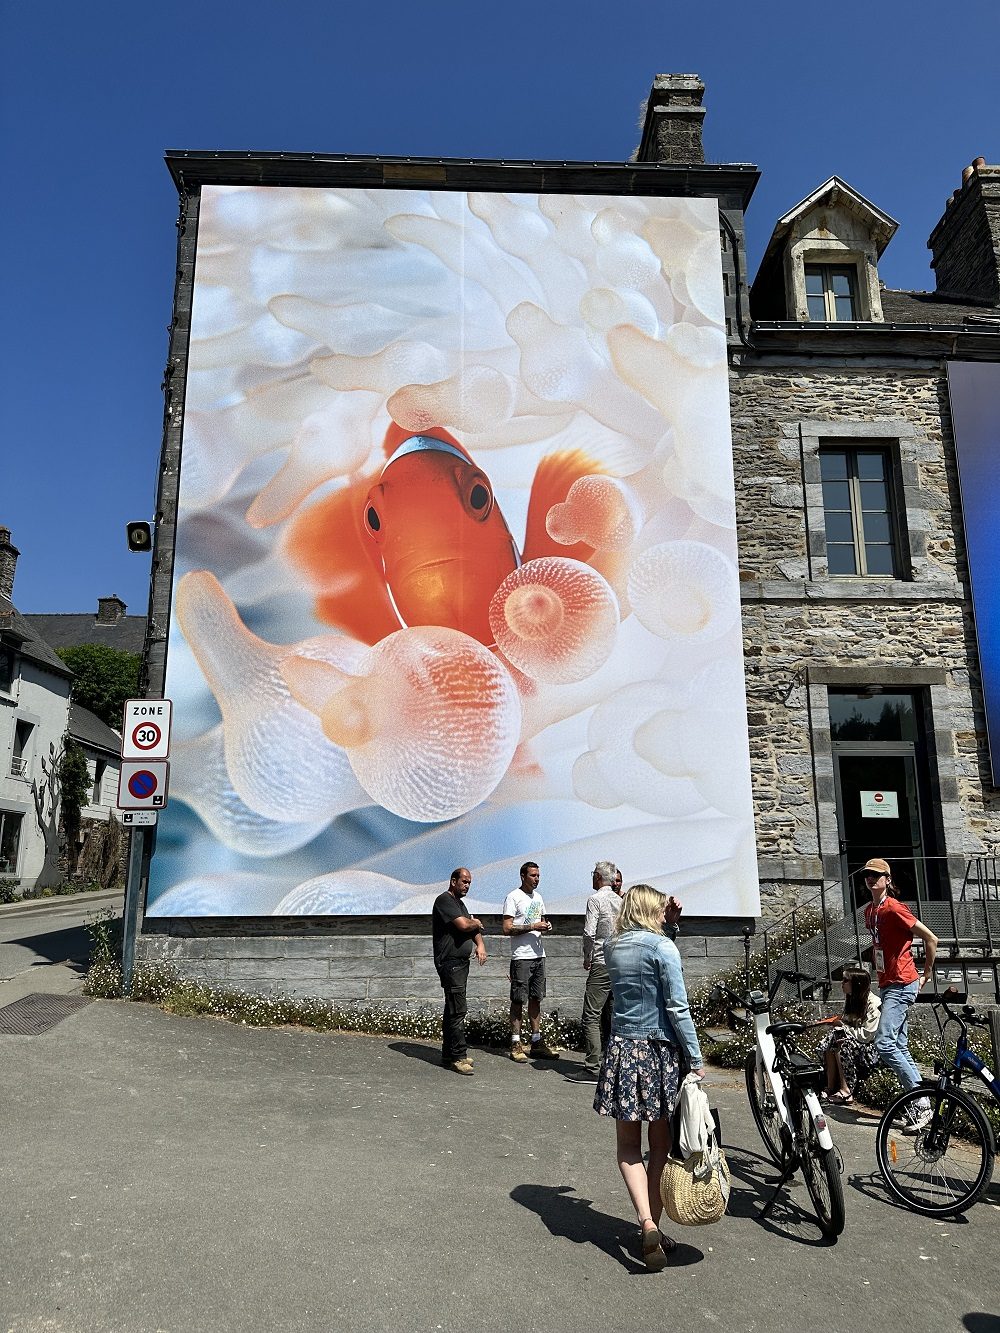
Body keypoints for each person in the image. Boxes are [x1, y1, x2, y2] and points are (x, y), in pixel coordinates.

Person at [595, 883, 704, 1271]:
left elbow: (642, 959)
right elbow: (676, 1007)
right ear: (649, 911)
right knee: (659, 1144)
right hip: (658, 1053)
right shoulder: (663, 947)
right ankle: (653, 1226)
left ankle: (644, 1222)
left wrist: (668, 927)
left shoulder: (612, 947)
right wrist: (695, 1057)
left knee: (627, 1146)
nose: (664, 915)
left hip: (623, 1051)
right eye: (660, 911)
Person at [863, 856, 938, 1132]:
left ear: (888, 880)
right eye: (868, 875)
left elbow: (932, 938)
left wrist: (926, 973)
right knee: (900, 1046)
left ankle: (922, 1105)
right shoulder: (870, 911)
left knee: (884, 1044)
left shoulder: (894, 908)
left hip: (903, 983)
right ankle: (916, 1105)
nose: (871, 878)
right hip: (887, 984)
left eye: (877, 875)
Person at [432, 867, 487, 1075]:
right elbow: (465, 925)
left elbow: (473, 928)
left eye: (469, 882)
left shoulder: (460, 904)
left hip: (461, 963)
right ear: (453, 881)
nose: (467, 885)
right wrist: (476, 922)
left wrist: (480, 944)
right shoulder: (444, 900)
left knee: (452, 1008)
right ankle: (458, 1056)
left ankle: (448, 1053)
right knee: (458, 1009)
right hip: (450, 962)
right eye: (464, 881)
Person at [503, 861, 559, 1062]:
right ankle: (516, 1042)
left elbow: (540, 920)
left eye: (538, 876)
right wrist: (532, 925)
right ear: (523, 876)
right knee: (518, 999)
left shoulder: (539, 897)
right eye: (533, 875)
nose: (537, 879)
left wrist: (545, 925)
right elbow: (507, 928)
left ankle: (536, 1041)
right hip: (521, 956)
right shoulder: (513, 897)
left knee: (536, 998)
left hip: (538, 955)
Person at [581, 861, 624, 1078]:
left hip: (601, 960)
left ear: (598, 877)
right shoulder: (620, 901)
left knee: (591, 1015)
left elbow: (590, 933)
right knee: (612, 1016)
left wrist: (587, 956)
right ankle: (611, 1064)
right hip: (619, 964)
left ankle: (592, 1067)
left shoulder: (595, 900)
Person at [818, 967, 881, 1104]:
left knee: (841, 1041)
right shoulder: (852, 999)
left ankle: (846, 1090)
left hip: (870, 1049)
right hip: (855, 1042)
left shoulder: (873, 1004)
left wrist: (843, 1026)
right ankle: (830, 1086)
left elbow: (866, 1036)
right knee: (834, 1038)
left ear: (857, 983)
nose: (842, 983)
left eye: (846, 980)